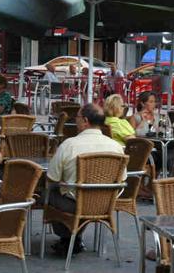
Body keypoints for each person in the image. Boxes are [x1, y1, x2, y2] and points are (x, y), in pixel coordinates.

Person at [47, 103, 125, 255]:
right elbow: (122, 178)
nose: (75, 120)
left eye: (77, 117)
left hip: (74, 204)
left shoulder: (69, 145)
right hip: (105, 204)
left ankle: (68, 237)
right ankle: (72, 238)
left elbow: (52, 177)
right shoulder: (116, 147)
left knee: (48, 192)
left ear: (85, 120)